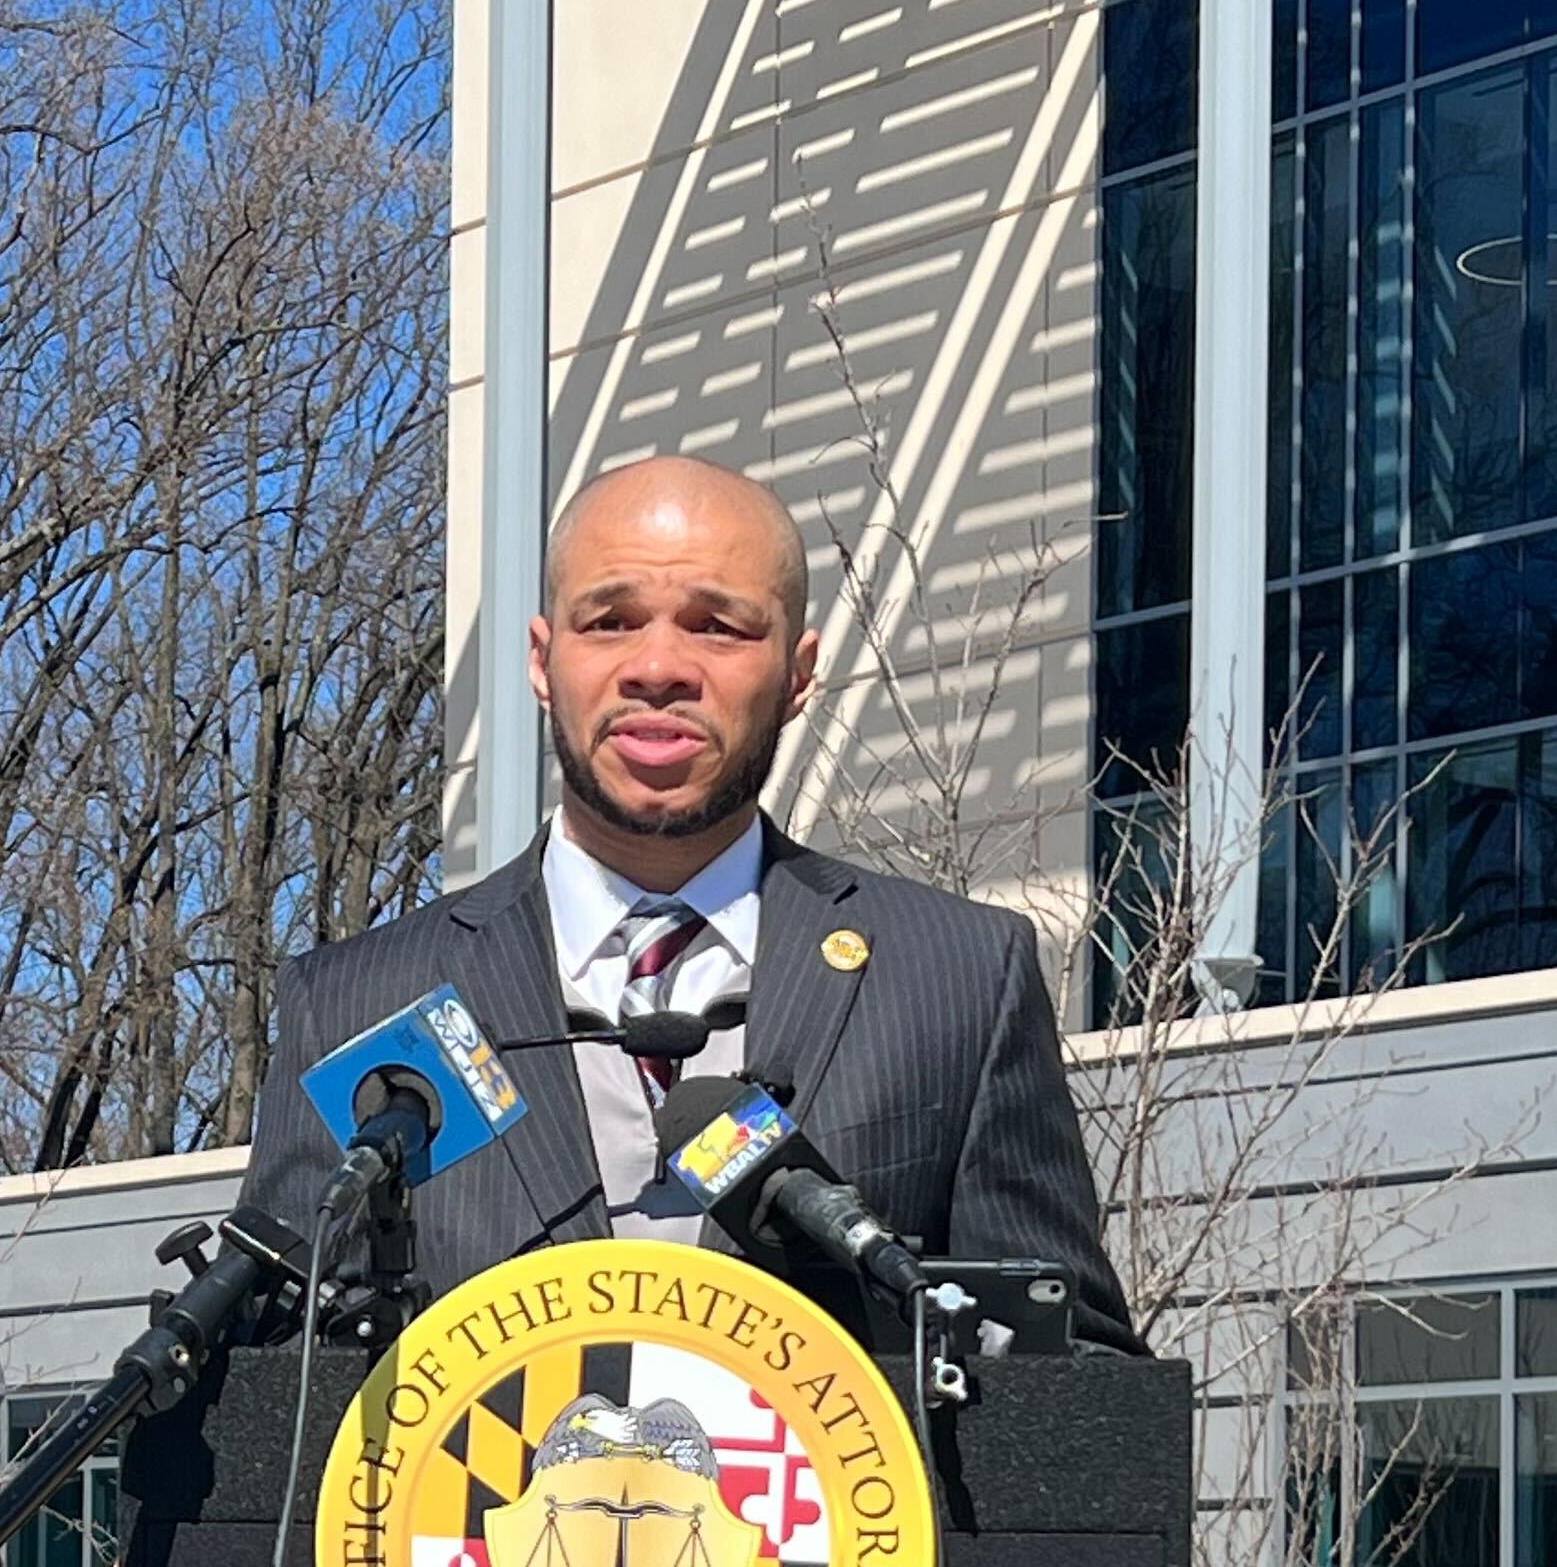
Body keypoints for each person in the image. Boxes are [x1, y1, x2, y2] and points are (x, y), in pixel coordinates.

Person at [233, 452, 1124, 1325]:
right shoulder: (356, 1005)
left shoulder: (959, 978)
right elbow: (274, 1387)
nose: (658, 667)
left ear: (799, 673)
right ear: (544, 663)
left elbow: (1067, 1367)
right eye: (610, 620)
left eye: (717, 626)